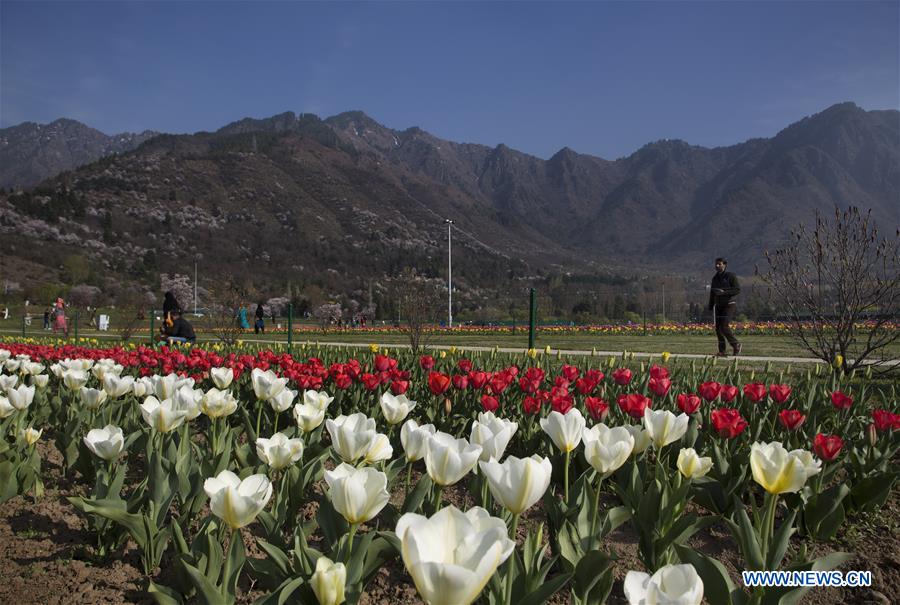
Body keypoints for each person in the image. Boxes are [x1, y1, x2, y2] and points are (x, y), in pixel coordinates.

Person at [708, 257, 742, 357]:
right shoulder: (715, 278)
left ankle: (736, 345)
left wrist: (724, 293)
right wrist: (710, 306)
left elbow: (737, 289)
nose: (717, 266)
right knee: (718, 329)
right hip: (718, 306)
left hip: (729, 304)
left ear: (724, 265)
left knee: (724, 326)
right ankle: (722, 351)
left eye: (719, 264)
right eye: (716, 264)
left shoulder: (730, 276)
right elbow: (712, 293)